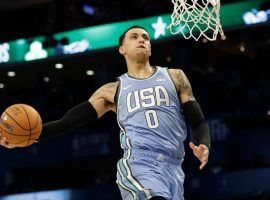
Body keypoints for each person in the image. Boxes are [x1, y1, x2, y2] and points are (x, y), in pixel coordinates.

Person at [0, 26, 210, 200]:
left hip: (174, 168)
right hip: (139, 165)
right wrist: (28, 137)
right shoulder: (112, 91)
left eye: (146, 37)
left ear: (151, 47)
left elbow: (198, 122)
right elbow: (67, 122)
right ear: (122, 49)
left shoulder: (175, 77)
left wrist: (203, 144)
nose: (142, 40)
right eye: (134, 37)